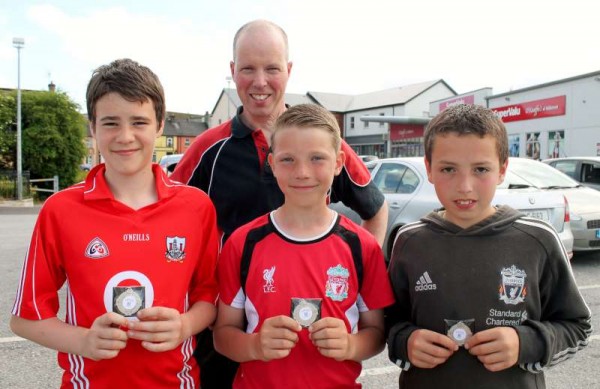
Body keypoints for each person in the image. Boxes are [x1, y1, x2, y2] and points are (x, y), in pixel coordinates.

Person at [171, 19, 388, 387]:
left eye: (272, 68)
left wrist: (358, 273)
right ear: (232, 72)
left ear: (288, 70)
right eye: (248, 69)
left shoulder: (319, 140)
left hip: (312, 334)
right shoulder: (209, 148)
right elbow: (167, 219)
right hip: (228, 322)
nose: (260, 82)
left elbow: (375, 208)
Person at [10, 58, 220, 388]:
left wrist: (184, 325)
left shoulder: (196, 207)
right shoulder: (60, 209)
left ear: (160, 124)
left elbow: (209, 298)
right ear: (93, 128)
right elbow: (25, 319)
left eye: (139, 122)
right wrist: (83, 342)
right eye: (110, 123)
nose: (125, 136)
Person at [385, 104, 592, 388]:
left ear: (502, 169)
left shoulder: (538, 240)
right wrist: (405, 342)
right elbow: (387, 323)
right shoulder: (409, 241)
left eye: (481, 169)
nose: (465, 186)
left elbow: (577, 326)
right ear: (429, 169)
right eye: (448, 169)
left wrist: (526, 343)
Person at [213, 103, 395, 388]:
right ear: (272, 165)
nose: (302, 172)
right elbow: (223, 335)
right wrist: (255, 346)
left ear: (338, 163)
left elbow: (376, 334)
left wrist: (350, 345)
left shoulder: (362, 246)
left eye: (317, 159)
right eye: (288, 160)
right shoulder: (243, 242)